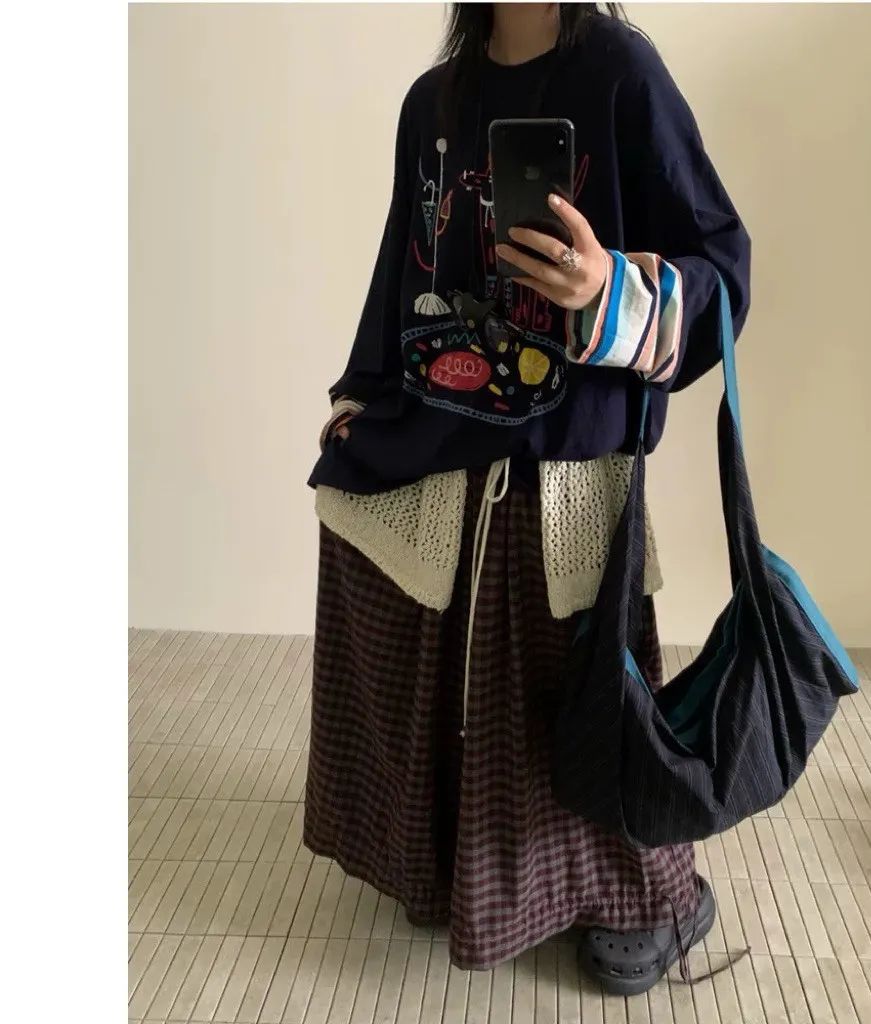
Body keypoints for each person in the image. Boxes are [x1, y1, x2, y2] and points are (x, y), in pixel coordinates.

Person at [304, 2, 751, 996]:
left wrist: (608, 289)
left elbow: (724, 268)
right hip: (444, 428)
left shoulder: (623, 77)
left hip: (569, 453)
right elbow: (400, 266)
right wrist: (359, 393)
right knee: (393, 579)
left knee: (579, 686)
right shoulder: (433, 104)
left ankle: (652, 894)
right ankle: (450, 860)